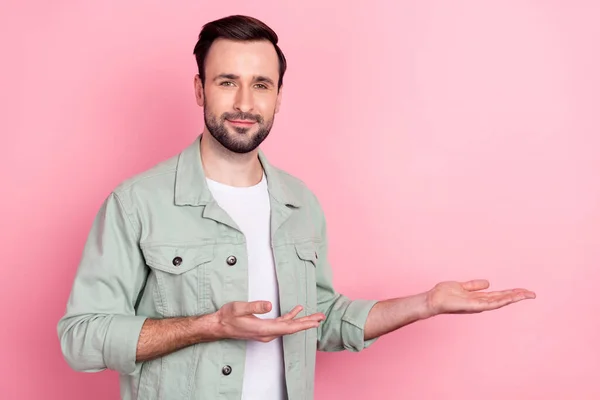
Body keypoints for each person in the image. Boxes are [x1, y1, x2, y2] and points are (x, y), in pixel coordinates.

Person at [57, 14, 536, 400]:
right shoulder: (137, 203)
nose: (244, 101)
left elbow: (320, 320)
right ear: (200, 89)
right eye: (227, 81)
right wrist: (211, 326)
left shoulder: (300, 203)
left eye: (261, 84)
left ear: (279, 97)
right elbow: (80, 338)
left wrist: (426, 304)